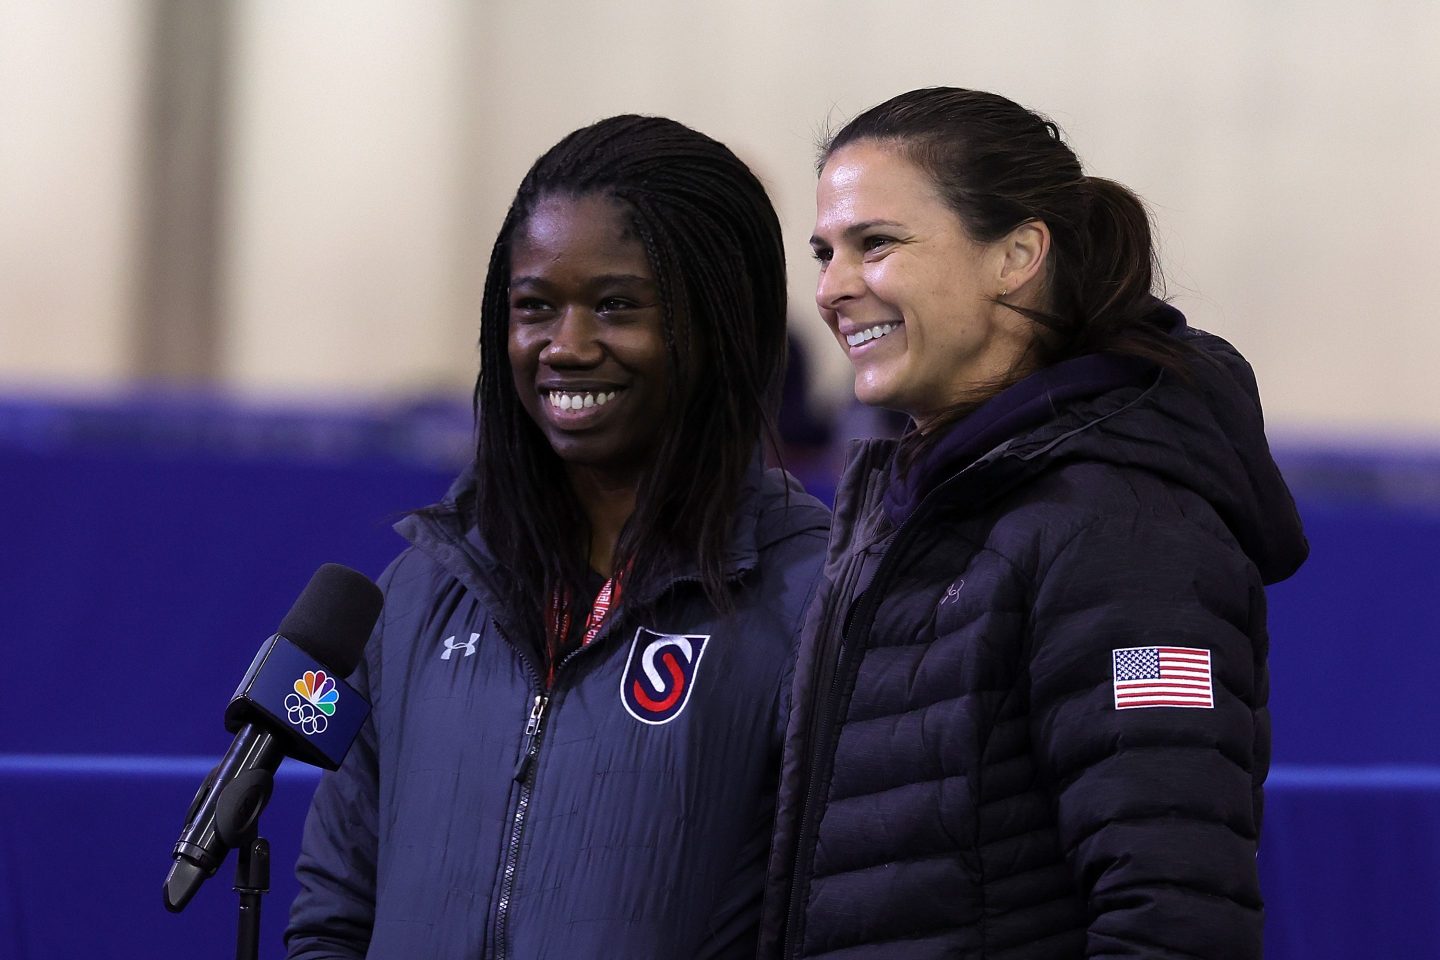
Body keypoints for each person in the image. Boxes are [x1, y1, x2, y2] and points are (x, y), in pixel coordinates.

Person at [758, 88, 1308, 960]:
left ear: (1017, 255)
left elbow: (1174, 918)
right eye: (825, 253)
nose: (832, 289)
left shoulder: (1126, 527)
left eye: (877, 244)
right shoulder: (907, 508)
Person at [286, 115, 830, 959]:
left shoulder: (814, 597)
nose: (566, 347)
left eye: (616, 306)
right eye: (535, 307)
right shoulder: (421, 591)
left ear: (719, 324)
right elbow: (335, 911)